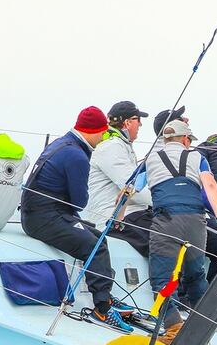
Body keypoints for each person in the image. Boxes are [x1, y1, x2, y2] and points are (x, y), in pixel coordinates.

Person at [20, 106, 134, 332]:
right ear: (93, 131)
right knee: (94, 247)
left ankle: (106, 296)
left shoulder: (64, 143)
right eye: (103, 133)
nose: (103, 138)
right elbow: (79, 202)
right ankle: (102, 309)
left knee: (99, 237)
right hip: (44, 218)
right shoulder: (77, 155)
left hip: (40, 213)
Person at [144, 119, 217, 344]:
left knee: (162, 279)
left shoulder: (150, 158)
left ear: (166, 140)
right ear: (186, 139)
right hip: (196, 221)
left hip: (166, 221)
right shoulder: (198, 157)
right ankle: (204, 330)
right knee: (195, 276)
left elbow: (131, 187)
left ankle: (174, 327)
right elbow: (210, 186)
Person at [82, 100, 152, 256]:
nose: (140, 125)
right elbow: (133, 188)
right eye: (138, 120)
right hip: (116, 220)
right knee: (169, 241)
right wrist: (164, 202)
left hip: (131, 215)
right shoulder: (111, 147)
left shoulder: (120, 146)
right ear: (127, 122)